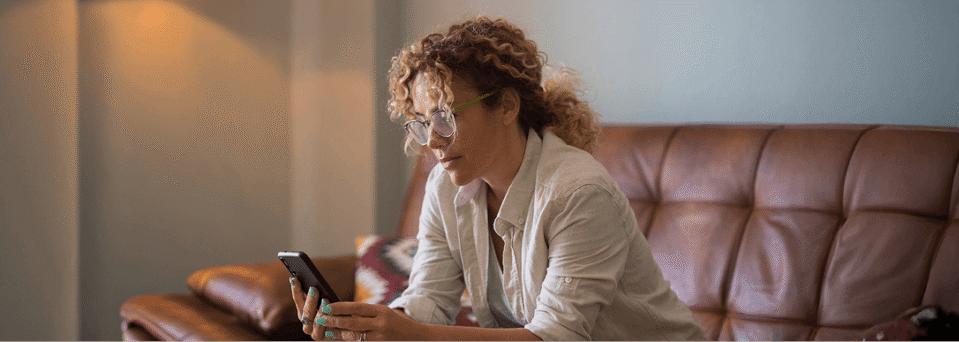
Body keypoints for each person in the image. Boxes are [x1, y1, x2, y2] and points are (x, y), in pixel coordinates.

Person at [289, 16, 706, 341]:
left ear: (506, 106)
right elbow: (429, 303)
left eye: (446, 117)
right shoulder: (444, 188)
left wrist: (413, 336)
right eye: (421, 122)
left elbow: (557, 337)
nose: (432, 140)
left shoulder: (578, 193)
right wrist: (363, 328)